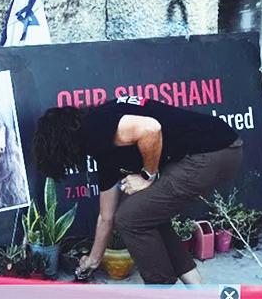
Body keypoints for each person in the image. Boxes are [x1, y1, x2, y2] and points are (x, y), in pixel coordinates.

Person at [32, 95, 244, 285]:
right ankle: (196, 286)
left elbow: (150, 129)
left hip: (211, 152)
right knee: (146, 213)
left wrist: (146, 176)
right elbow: (106, 217)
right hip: (222, 148)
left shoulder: (97, 125)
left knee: (130, 218)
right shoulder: (102, 148)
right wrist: (93, 260)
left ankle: (160, 289)